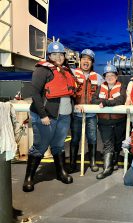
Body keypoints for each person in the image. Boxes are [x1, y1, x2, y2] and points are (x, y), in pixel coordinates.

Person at [23, 40, 76, 192]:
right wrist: (43, 115)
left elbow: (71, 90)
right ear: (49, 56)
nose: (58, 57)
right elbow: (34, 93)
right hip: (47, 116)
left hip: (64, 115)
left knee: (59, 145)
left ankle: (61, 172)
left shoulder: (67, 70)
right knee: (40, 146)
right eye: (54, 54)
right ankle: (29, 178)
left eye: (61, 54)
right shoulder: (42, 70)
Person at [70, 49, 104, 173]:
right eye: (84, 58)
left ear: (92, 62)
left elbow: (104, 93)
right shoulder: (72, 74)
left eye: (89, 59)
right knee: (74, 139)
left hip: (91, 114)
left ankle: (93, 162)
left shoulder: (98, 78)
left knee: (93, 138)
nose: (86, 61)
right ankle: (73, 162)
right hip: (76, 114)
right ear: (80, 60)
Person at [91, 64, 126, 179]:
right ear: (104, 77)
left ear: (116, 76)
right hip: (104, 122)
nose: (110, 77)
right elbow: (94, 100)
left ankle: (114, 162)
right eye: (107, 75)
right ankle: (107, 169)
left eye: (112, 75)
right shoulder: (100, 87)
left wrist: (105, 102)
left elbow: (120, 100)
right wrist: (108, 100)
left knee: (117, 144)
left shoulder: (121, 87)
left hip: (119, 121)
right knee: (107, 145)